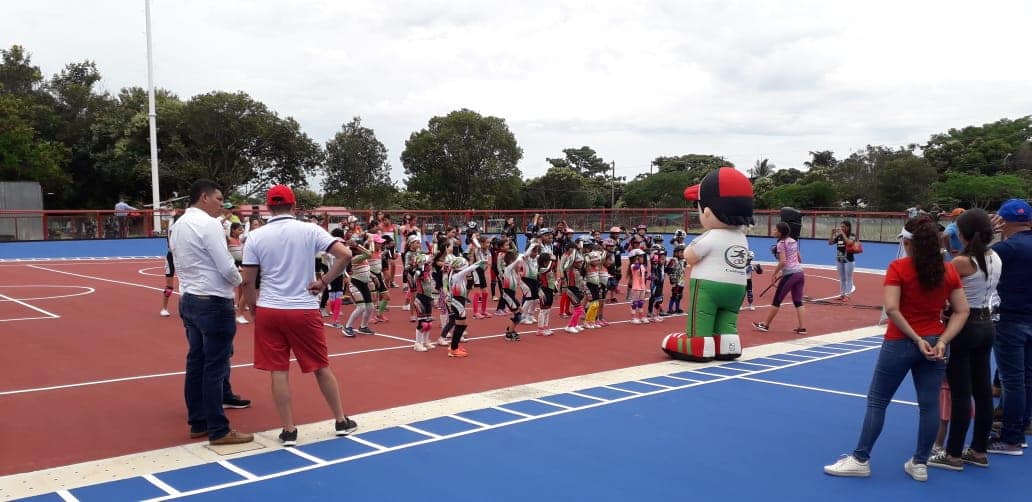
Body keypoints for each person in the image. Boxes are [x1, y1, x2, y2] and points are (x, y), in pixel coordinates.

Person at [824, 215, 968, 482]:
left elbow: (892, 309)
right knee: (929, 406)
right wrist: (943, 340)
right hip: (935, 342)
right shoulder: (948, 270)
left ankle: (860, 459)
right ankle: (920, 462)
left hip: (901, 342)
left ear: (909, 242)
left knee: (878, 401)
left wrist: (915, 338)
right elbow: (962, 310)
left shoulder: (899, 267)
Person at [240, 184, 358, 446]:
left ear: (269, 207)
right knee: (320, 366)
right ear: (293, 206)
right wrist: (324, 280)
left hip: (270, 308)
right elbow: (345, 254)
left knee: (278, 370)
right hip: (302, 307)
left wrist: (253, 309)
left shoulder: (256, 237)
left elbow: (247, 281)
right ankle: (340, 420)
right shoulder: (310, 229)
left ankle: (288, 429)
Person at [168, 180, 254, 446]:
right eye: (218, 199)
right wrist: (242, 281)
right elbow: (226, 266)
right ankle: (218, 429)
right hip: (213, 301)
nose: (221, 204)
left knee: (196, 361)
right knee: (214, 366)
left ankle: (198, 421)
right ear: (204, 197)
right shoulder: (209, 225)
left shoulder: (178, 225)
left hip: (190, 298)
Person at [928, 208, 999, 470]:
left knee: (960, 392)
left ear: (964, 233)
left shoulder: (961, 263)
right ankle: (979, 450)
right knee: (982, 392)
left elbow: (940, 291)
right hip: (986, 322)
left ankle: (953, 453)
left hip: (963, 326)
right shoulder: (995, 257)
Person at [988, 198, 1032, 455]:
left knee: (1012, 380)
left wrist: (987, 236)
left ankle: (1011, 438)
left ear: (1003, 222)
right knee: (1027, 377)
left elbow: (974, 263)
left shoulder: (1007, 249)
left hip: (1011, 319)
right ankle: (1022, 425)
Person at [753, 222, 807, 334]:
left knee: (777, 300)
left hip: (790, 274)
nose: (773, 231)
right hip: (800, 273)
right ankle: (802, 328)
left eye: (775, 229)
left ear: (780, 232)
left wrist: (774, 273)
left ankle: (765, 325)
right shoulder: (793, 241)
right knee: (798, 301)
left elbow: (783, 261)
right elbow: (800, 259)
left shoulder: (781, 243)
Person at [828, 221, 857, 300]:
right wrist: (832, 234)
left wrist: (842, 233)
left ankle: (848, 296)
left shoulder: (852, 235)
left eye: (844, 227)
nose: (842, 228)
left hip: (849, 260)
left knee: (849, 278)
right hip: (840, 259)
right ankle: (842, 294)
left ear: (848, 227)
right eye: (841, 227)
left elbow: (849, 243)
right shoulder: (839, 236)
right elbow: (830, 243)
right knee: (842, 278)